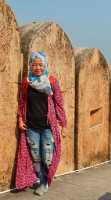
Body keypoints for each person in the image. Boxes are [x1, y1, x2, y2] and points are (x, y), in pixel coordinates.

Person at [15, 51, 67, 196]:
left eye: (40, 64)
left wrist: (63, 124)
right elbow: (22, 103)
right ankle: (43, 181)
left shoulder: (51, 81)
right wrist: (20, 120)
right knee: (35, 156)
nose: (37, 67)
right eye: (34, 64)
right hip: (31, 126)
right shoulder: (27, 82)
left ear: (45, 65)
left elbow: (59, 103)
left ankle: (44, 181)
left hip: (47, 127)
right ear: (30, 65)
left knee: (47, 156)